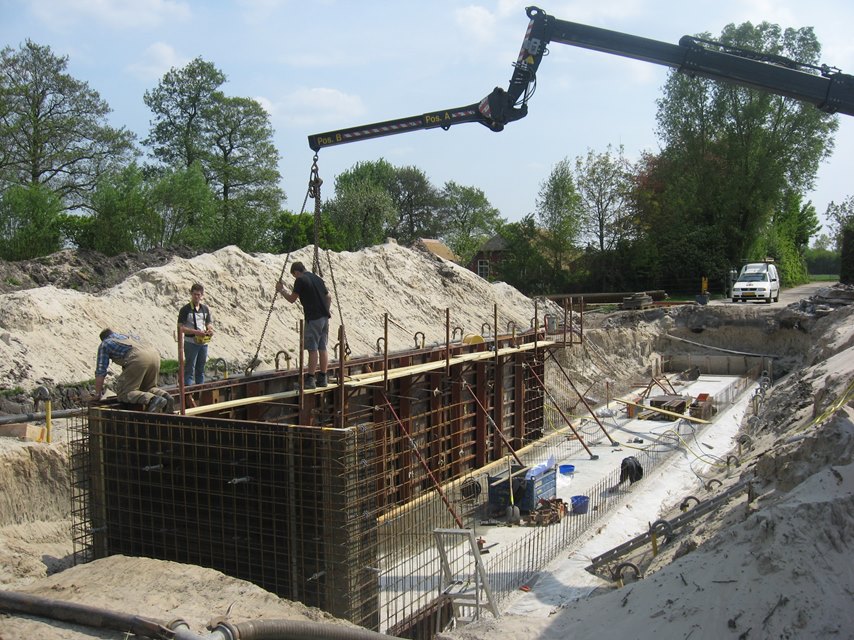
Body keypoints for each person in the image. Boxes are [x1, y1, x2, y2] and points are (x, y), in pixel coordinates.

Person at [276, 261, 332, 389]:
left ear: (296, 272)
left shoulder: (300, 280)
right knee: (322, 347)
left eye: (294, 276)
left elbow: (291, 299)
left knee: (312, 349)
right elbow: (328, 296)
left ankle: (310, 379)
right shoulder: (317, 278)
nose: (295, 278)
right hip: (324, 317)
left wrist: (281, 290)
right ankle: (323, 378)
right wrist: (326, 310)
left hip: (313, 318)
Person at [94, 328, 172, 412]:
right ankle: (166, 397)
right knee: (147, 388)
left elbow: (100, 372)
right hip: (154, 355)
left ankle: (153, 400)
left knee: (125, 393)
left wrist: (98, 394)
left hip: (139, 358)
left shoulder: (105, 344)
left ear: (103, 338)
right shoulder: (127, 336)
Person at [177, 283, 214, 387]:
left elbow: (208, 323)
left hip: (203, 343)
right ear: (191, 294)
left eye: (199, 294)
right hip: (191, 343)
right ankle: (188, 392)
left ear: (202, 295)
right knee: (189, 368)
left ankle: (200, 391)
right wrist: (195, 332)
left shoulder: (205, 309)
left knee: (201, 368)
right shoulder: (185, 310)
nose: (197, 297)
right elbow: (181, 328)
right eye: (194, 294)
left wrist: (210, 329)